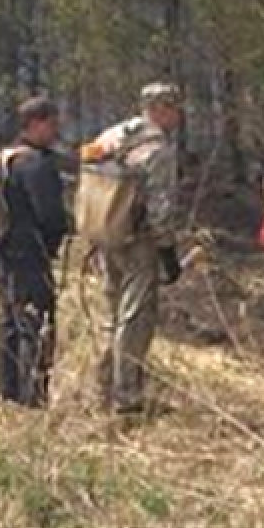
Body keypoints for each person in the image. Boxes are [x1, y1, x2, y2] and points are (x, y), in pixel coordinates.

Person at [92, 82, 187, 415]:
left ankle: (104, 387)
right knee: (135, 320)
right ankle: (127, 398)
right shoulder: (158, 149)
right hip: (139, 243)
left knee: (112, 313)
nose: (178, 116)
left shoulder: (112, 135)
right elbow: (161, 208)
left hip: (106, 236)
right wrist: (168, 252)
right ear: (160, 108)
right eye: (174, 108)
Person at [0, 96, 70, 406]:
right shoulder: (35, 164)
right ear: (35, 123)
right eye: (52, 123)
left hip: (1, 252)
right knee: (37, 326)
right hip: (29, 256)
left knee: (10, 322)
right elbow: (51, 216)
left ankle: (8, 394)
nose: (56, 130)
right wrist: (57, 241)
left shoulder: (6, 158)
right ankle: (32, 399)